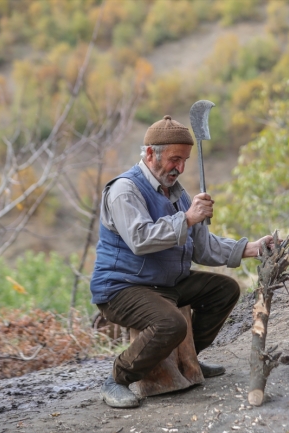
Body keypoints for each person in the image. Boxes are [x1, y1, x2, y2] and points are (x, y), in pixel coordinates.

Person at [89, 115, 272, 408]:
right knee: (171, 323)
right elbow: (140, 239)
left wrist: (251, 248)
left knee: (224, 290)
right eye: (175, 159)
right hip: (122, 287)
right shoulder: (125, 190)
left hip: (165, 283)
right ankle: (118, 378)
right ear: (151, 154)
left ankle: (188, 359)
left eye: (185, 160)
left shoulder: (178, 194)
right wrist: (187, 218)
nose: (181, 168)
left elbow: (203, 248)